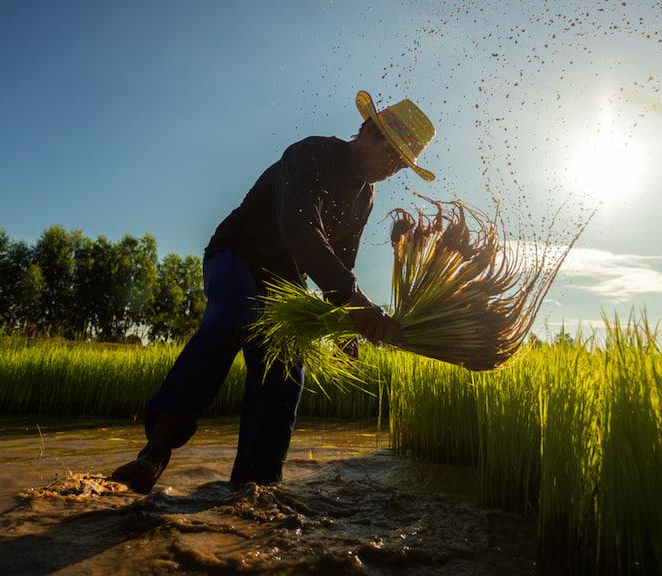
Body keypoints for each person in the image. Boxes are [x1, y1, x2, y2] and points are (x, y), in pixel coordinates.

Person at [111, 90, 436, 493]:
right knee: (230, 318)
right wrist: (356, 301)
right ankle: (154, 452)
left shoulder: (365, 198)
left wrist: (343, 323)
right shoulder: (311, 154)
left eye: (402, 166)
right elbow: (300, 230)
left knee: (285, 375)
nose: (393, 170)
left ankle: (254, 489)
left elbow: (342, 261)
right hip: (238, 255)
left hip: (285, 284)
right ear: (369, 131)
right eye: (391, 156)